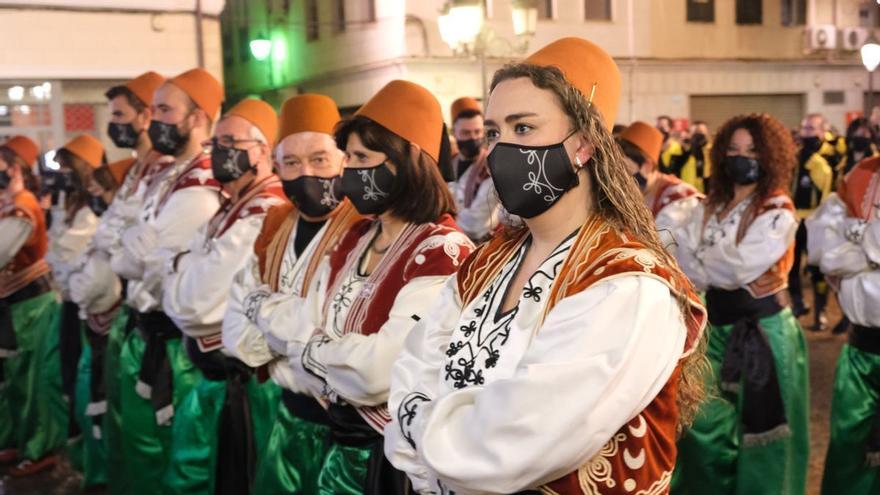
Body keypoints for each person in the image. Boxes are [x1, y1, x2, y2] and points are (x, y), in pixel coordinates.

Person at [385, 37, 706, 495]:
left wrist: (419, 424)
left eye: (523, 128)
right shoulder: (489, 259)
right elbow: (414, 362)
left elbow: (515, 442)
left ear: (584, 145)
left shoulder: (629, 284)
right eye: (495, 133)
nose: (500, 150)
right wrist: (430, 445)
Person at [247, 80, 474, 494]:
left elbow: (376, 372)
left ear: (407, 162)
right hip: (338, 447)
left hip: (388, 462)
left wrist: (308, 348)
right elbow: (311, 320)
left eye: (361, 157)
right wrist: (333, 356)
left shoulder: (442, 250)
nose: (348, 169)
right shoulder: (357, 237)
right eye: (347, 156)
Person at [221, 93, 363, 495]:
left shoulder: (366, 226)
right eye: (292, 163)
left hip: (341, 431)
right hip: (283, 413)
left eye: (319, 160)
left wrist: (263, 312)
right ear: (276, 166)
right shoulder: (274, 222)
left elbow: (329, 326)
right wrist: (286, 334)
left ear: (342, 161)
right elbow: (238, 325)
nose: (306, 173)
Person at [671, 113, 808, 495]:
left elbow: (736, 269)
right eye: (733, 150)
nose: (741, 157)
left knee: (765, 436)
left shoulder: (776, 210)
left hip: (766, 334)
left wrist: (703, 254)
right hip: (713, 328)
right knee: (702, 426)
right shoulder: (708, 205)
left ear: (769, 157)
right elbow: (687, 261)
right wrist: (708, 256)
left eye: (751, 151)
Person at [161, 98, 288, 494]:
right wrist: (184, 269)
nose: (220, 152)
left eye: (231, 141)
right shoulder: (231, 207)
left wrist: (182, 266)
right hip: (215, 380)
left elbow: (193, 304)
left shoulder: (263, 211)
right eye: (215, 143)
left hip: (244, 385)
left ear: (262, 151)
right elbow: (185, 293)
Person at [110, 67, 224, 495]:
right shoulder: (167, 175)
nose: (152, 120)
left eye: (164, 110)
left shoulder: (199, 185)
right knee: (140, 446)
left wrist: (130, 244)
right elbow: (126, 253)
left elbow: (145, 265)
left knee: (167, 456)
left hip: (175, 346)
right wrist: (130, 245)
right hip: (144, 327)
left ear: (196, 119)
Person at [67, 70, 166, 495]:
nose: (115, 123)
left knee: (149, 441)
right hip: (129, 312)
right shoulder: (139, 170)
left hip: (157, 322)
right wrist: (116, 239)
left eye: (121, 114)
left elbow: (134, 247)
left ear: (145, 117)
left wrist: (116, 240)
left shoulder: (165, 170)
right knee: (125, 430)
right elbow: (111, 234)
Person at [808, 156, 880, 494]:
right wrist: (869, 254)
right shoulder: (860, 175)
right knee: (849, 453)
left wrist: (860, 246)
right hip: (861, 352)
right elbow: (825, 251)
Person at [68, 156, 136, 489]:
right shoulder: (107, 223)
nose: (94, 190)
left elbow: (91, 282)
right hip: (102, 325)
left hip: (111, 328)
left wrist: (72, 279)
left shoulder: (118, 228)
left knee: (105, 406)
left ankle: (103, 476)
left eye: (102, 184)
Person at [0, 136, 66, 477]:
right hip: (13, 304)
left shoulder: (24, 205)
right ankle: (15, 440)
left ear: (15, 168)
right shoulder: (8, 202)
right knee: (13, 377)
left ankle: (40, 447)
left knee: (33, 379)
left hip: (31, 304)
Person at [618, 121, 701, 248]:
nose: (620, 179)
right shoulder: (630, 194)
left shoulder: (679, 199)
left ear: (647, 166)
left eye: (626, 170)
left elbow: (663, 246)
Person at [790, 113, 834, 329]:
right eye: (804, 128)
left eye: (811, 128)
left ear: (822, 132)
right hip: (792, 220)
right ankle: (798, 303)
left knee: (817, 269)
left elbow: (826, 200)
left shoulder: (823, 165)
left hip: (814, 222)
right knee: (791, 266)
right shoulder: (793, 158)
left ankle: (821, 311)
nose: (806, 132)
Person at [447, 96, 499, 242]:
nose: (473, 138)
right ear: (454, 133)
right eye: (466, 133)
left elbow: (474, 225)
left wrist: (442, 223)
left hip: (480, 248)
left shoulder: (491, 169)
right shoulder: (449, 164)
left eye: (477, 132)